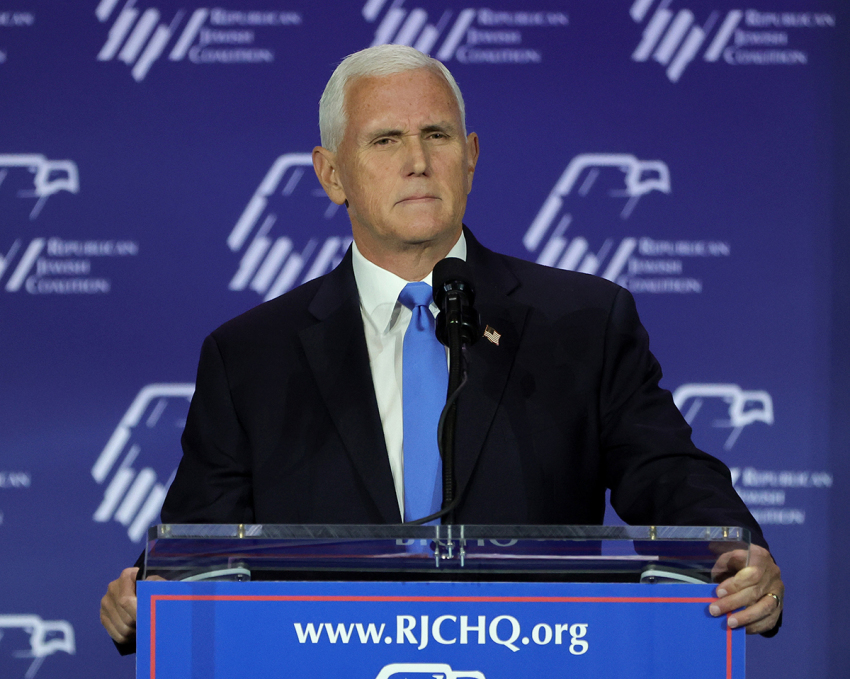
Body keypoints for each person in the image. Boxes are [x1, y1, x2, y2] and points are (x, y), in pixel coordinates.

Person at [100, 44, 784, 650]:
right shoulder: (252, 356)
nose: (419, 162)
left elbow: (670, 475)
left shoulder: (581, 321)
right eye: (385, 140)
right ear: (332, 175)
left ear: (471, 156)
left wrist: (736, 549)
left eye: (437, 134)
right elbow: (198, 543)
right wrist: (146, 593)